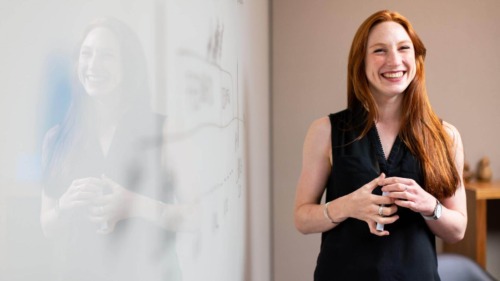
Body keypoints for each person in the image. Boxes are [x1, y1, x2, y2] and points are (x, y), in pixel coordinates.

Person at [294, 10, 467, 280]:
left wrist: (429, 205)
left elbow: (457, 230)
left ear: (417, 59)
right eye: (379, 51)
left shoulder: (446, 136)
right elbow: (302, 219)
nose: (394, 61)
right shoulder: (325, 131)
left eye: (403, 48)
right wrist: (347, 206)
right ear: (360, 62)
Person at [40, 17, 193, 281]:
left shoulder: (167, 131)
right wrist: (64, 206)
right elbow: (47, 226)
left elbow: (197, 216)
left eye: (107, 56)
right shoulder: (56, 138)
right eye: (86, 54)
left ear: (129, 66)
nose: (93, 65)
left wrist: (135, 204)